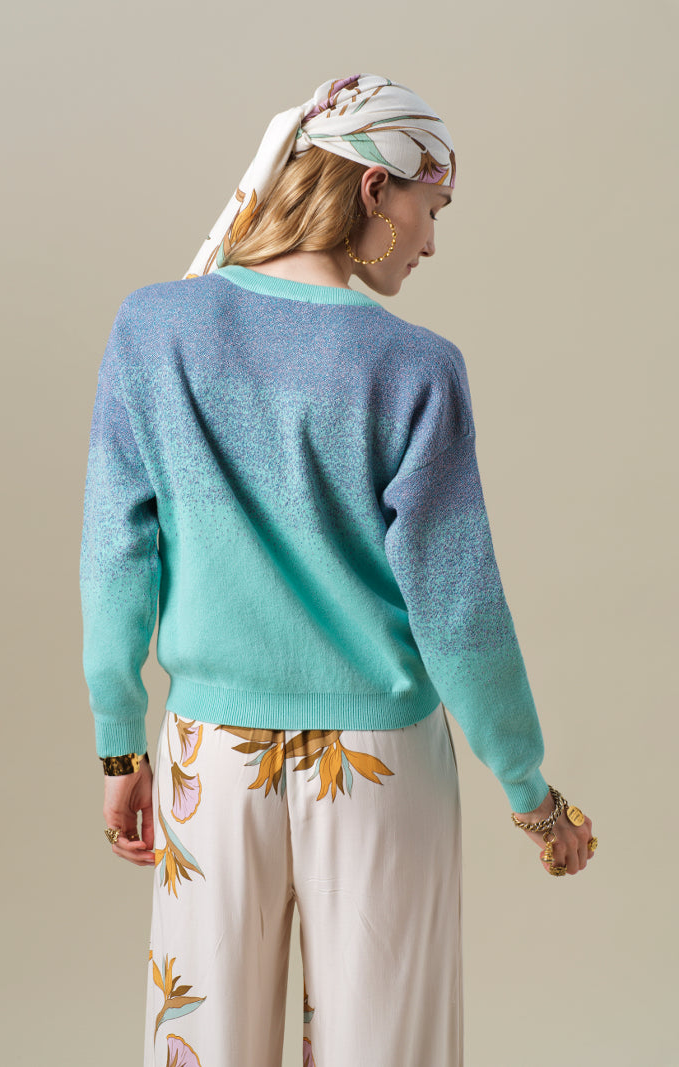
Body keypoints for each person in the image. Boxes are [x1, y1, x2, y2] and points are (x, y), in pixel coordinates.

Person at [80, 73, 596, 1067]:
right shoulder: (416, 365)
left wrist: (118, 744)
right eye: (431, 208)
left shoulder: (152, 328)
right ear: (372, 190)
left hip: (208, 758)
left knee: (202, 1044)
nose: (430, 241)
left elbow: (115, 553)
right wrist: (530, 792)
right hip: (382, 762)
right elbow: (458, 609)